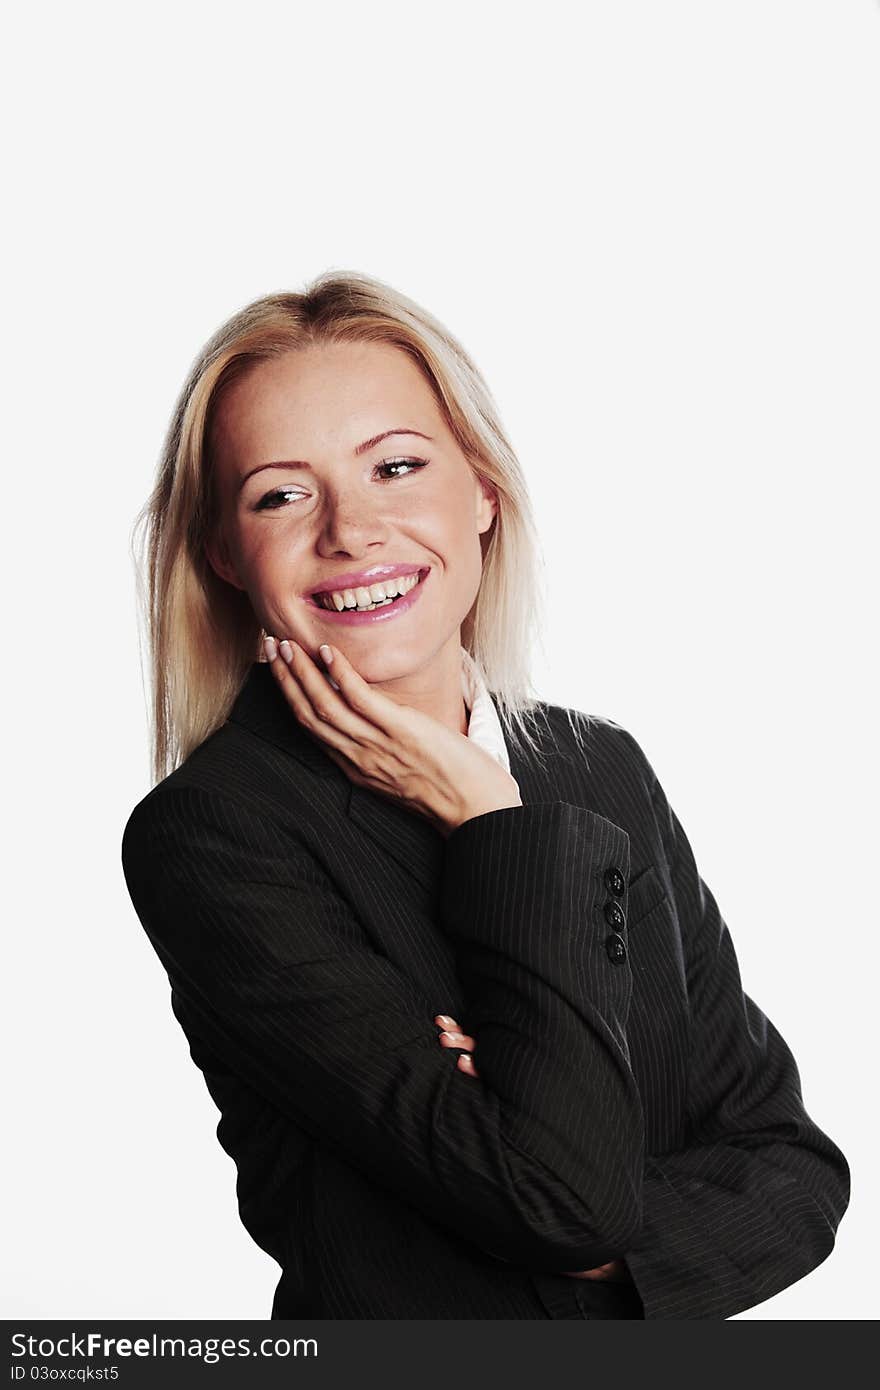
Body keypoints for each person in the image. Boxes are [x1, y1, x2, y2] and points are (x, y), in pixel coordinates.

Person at [121, 270, 849, 1320]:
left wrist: (540, 1150)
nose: (352, 530)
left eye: (397, 467)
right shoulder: (216, 833)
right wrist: (498, 833)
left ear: (482, 493)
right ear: (226, 555)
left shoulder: (600, 768)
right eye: (281, 493)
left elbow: (792, 1172)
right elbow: (560, 1197)